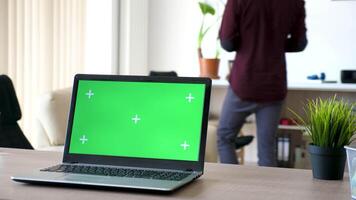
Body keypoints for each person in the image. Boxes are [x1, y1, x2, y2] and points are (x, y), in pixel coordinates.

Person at [217, 0, 308, 166]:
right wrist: (275, 44)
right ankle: (267, 193)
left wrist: (248, 43)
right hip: (273, 85)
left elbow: (227, 42)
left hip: (244, 83)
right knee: (268, 148)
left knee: (225, 137)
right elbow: (300, 43)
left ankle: (233, 190)